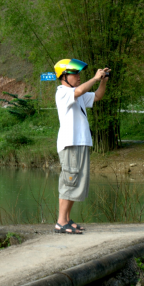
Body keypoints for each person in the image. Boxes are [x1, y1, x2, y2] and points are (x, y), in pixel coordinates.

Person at [53, 58, 110, 234]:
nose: (78, 76)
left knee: (75, 181)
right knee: (69, 181)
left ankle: (67, 219)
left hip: (80, 142)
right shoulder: (63, 92)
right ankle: (61, 222)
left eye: (78, 74)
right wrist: (94, 78)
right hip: (71, 143)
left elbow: (98, 96)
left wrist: (103, 81)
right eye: (74, 74)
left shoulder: (76, 94)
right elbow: (79, 91)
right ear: (64, 77)